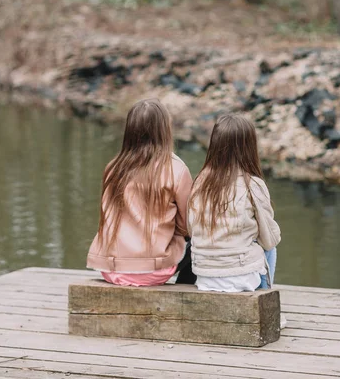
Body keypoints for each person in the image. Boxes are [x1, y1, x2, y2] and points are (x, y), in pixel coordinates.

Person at [86, 99, 195, 286]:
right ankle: (184, 299)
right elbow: (188, 225)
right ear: (164, 130)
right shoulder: (175, 169)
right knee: (198, 242)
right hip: (152, 270)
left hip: (111, 269)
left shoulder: (114, 167)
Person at [187, 114, 281, 294]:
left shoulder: (199, 183)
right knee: (270, 247)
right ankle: (266, 298)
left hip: (204, 276)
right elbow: (269, 240)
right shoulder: (252, 184)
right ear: (249, 147)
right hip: (240, 277)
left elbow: (191, 231)